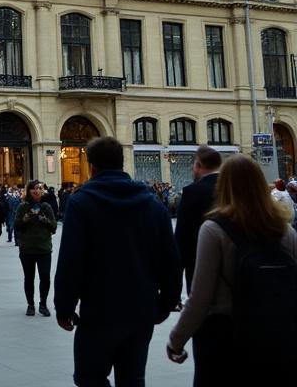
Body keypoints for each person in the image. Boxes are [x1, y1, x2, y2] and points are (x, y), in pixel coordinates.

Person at [54, 136, 180, 387]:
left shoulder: (81, 202)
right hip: (140, 310)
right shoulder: (153, 203)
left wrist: (64, 307)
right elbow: (170, 259)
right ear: (122, 163)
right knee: (133, 379)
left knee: (89, 377)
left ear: (92, 166)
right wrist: (165, 303)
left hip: (98, 311)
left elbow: (71, 261)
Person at [167, 155, 297, 382]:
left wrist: (176, 341)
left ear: (223, 186)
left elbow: (200, 298)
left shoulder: (214, 230)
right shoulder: (286, 232)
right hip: (277, 338)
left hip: (224, 343)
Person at [174, 145, 221, 293]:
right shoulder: (231, 188)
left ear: (199, 165)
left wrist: (174, 286)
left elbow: (182, 238)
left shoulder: (191, 192)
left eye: (194, 165)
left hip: (198, 266)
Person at [13, 180, 56, 317]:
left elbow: (54, 227)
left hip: (44, 249)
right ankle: (30, 305)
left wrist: (44, 220)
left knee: (45, 277)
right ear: (29, 191)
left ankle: (43, 304)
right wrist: (25, 219)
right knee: (29, 278)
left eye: (39, 188)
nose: (37, 191)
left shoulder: (46, 207)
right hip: (27, 249)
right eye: (34, 189)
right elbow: (16, 226)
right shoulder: (23, 207)